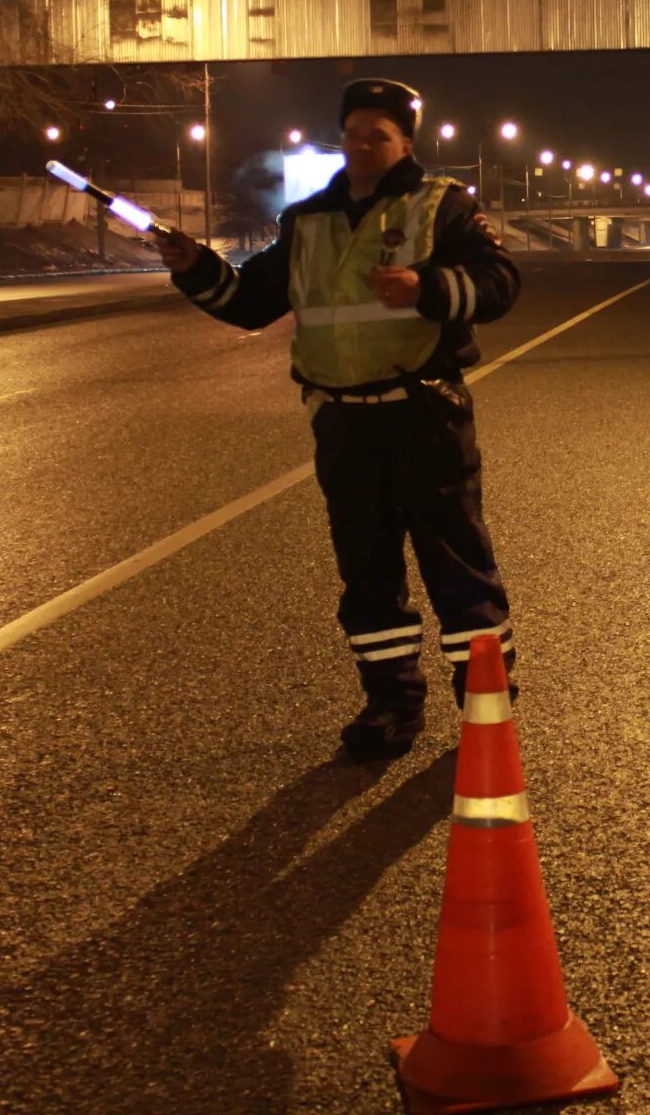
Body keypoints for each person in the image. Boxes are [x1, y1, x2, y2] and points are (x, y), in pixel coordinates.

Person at [157, 77, 522, 760]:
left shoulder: (440, 205)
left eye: (377, 135)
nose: (361, 146)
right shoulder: (308, 219)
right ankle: (389, 707)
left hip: (424, 414)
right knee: (367, 571)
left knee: (457, 566)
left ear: (405, 142)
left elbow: (500, 283)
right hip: (344, 427)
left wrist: (429, 287)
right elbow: (251, 302)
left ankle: (487, 703)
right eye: (353, 133)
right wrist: (196, 267)